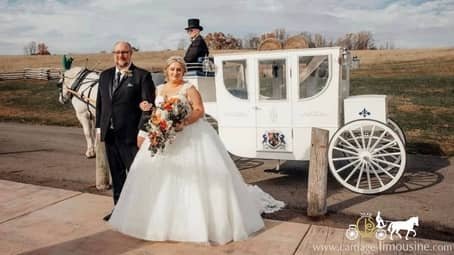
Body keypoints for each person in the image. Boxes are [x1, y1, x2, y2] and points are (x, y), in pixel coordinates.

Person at [109, 56, 284, 245]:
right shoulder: (159, 89)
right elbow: (156, 112)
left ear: (183, 72)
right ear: (166, 71)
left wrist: (182, 122)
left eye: (179, 70)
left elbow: (199, 110)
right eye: (172, 69)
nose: (175, 72)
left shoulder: (189, 89)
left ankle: (194, 225)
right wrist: (150, 114)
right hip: (163, 136)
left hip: (189, 135)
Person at [95, 41, 155, 221]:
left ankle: (142, 212)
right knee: (117, 174)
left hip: (132, 137)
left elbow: (148, 108)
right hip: (110, 135)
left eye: (125, 52)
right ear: (113, 54)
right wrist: (99, 126)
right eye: (118, 52)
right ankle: (119, 210)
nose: (121, 56)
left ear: (131, 54)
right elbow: (101, 104)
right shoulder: (105, 76)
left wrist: (142, 133)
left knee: (137, 174)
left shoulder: (142, 76)